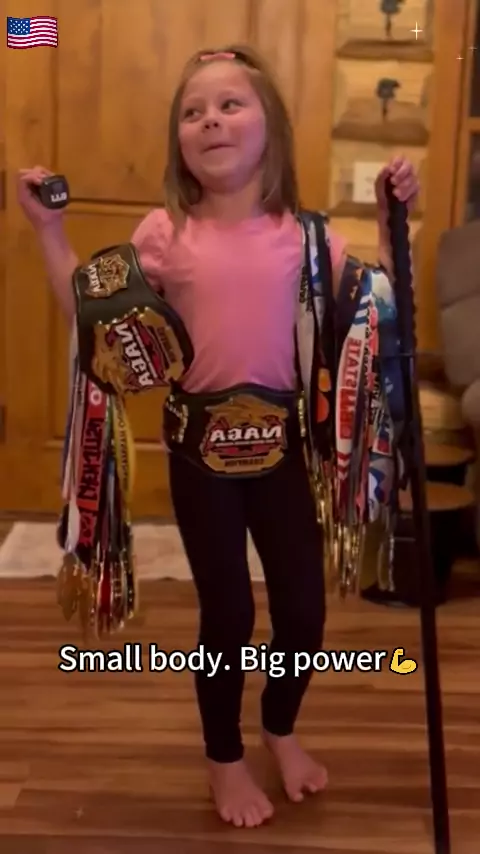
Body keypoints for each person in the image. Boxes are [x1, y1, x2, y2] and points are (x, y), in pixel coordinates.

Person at [17, 44, 419, 830]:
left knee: (302, 614)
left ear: (272, 127)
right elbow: (95, 322)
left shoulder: (310, 239)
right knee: (228, 615)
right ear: (179, 140)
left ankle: (279, 726)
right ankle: (224, 756)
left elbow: (377, 316)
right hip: (199, 456)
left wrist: (388, 220)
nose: (210, 120)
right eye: (193, 112)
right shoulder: (165, 233)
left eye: (230, 104)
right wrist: (49, 232)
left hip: (285, 453)